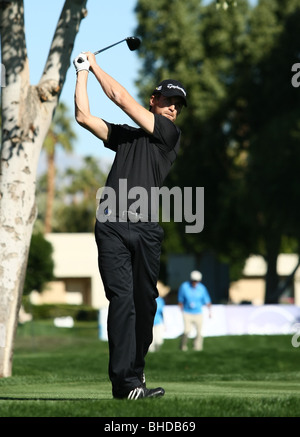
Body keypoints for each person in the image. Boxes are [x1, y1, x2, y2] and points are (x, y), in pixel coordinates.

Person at [73, 51, 187, 400]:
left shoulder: (169, 135)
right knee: (121, 300)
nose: (172, 108)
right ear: (154, 100)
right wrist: (81, 73)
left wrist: (95, 65)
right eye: (167, 100)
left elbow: (120, 98)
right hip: (111, 226)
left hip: (147, 229)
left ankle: (135, 374)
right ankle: (125, 385)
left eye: (176, 105)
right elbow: (83, 117)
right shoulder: (125, 136)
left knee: (145, 302)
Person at [178, 270, 212, 351]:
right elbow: (180, 300)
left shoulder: (202, 288)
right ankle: (183, 346)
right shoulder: (184, 286)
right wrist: (181, 308)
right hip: (187, 312)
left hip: (198, 313)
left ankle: (197, 348)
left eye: (196, 281)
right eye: (193, 280)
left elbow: (207, 300)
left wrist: (210, 310)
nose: (194, 282)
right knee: (187, 331)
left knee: (199, 332)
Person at [149, 281, 170, 352]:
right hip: (150, 323)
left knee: (159, 340)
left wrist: (164, 323)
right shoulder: (148, 300)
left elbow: (162, 313)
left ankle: (157, 351)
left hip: (158, 322)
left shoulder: (161, 301)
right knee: (151, 341)